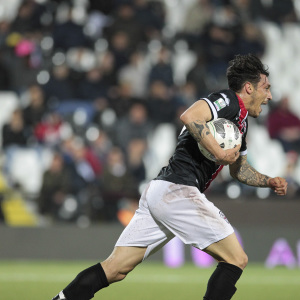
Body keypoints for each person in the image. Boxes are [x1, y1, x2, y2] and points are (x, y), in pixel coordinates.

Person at [51, 54, 288, 300]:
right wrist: (219, 152)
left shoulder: (240, 123)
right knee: (236, 259)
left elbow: (239, 169)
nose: (269, 96)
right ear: (248, 87)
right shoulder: (228, 100)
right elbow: (190, 116)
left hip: (161, 191)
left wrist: (268, 181)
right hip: (179, 191)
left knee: (115, 269)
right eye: (266, 88)